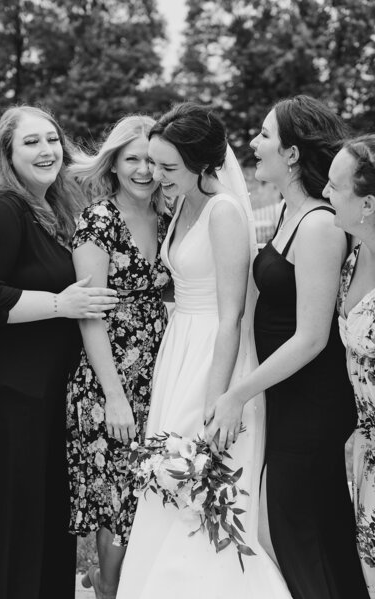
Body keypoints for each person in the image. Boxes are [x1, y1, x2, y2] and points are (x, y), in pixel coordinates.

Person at [116, 102, 292, 599]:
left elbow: (232, 314)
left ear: (204, 164)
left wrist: (217, 401)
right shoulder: (179, 206)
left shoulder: (225, 212)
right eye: (152, 162)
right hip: (179, 351)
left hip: (216, 358)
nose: (155, 175)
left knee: (204, 492)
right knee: (167, 489)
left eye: (169, 168)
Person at [206, 95, 370, 599]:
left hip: (312, 403)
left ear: (293, 153)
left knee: (297, 536)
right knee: (315, 537)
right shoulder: (286, 214)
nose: (253, 144)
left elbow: (311, 335)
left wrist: (236, 396)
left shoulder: (320, 224)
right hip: (288, 397)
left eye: (263, 135)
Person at [0, 105, 117, 599]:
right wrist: (61, 303)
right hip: (10, 398)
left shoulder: (57, 209)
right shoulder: (2, 209)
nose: (46, 150)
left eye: (52, 139)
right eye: (31, 142)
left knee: (46, 524)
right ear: (7, 154)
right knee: (12, 526)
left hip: (49, 396)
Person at [66, 115, 171, 599]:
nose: (145, 169)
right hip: (111, 375)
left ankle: (121, 583)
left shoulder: (170, 217)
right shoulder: (98, 221)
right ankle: (107, 589)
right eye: (133, 159)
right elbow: (90, 316)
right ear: (114, 164)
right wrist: (114, 397)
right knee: (119, 495)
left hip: (161, 366)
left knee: (147, 489)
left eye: (152, 158)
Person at [323, 134, 375, 598]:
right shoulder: (353, 253)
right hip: (366, 448)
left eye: (335, 186)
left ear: (368, 203)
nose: (325, 192)